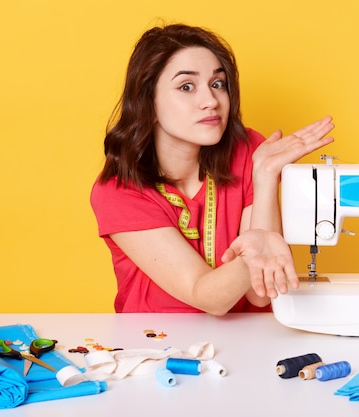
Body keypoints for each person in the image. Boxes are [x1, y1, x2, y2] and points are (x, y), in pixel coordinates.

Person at [90, 23, 334, 315]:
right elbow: (208, 296)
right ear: (148, 103)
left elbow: (260, 295)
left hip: (250, 341)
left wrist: (267, 175)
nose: (211, 101)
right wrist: (256, 251)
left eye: (217, 84)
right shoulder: (119, 192)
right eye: (186, 87)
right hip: (158, 345)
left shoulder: (250, 152)